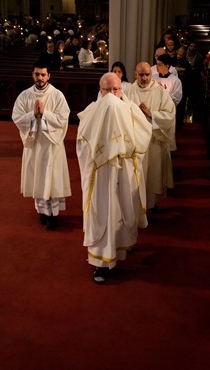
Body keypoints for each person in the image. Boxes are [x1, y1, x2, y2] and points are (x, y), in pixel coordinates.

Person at [76, 72, 152, 284]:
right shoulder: (91, 112)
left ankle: (121, 248)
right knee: (103, 213)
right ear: (100, 91)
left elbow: (144, 136)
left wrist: (124, 150)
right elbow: (81, 144)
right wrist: (100, 155)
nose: (111, 94)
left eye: (115, 90)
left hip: (123, 170)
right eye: (107, 90)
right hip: (100, 174)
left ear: (122, 90)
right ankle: (100, 263)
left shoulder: (131, 110)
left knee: (122, 210)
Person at [12, 61, 72, 230]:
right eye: (37, 74)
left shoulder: (57, 95)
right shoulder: (25, 95)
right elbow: (16, 117)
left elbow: (62, 119)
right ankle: (42, 212)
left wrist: (44, 114)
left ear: (49, 76)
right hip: (34, 144)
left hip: (51, 145)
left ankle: (53, 215)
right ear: (33, 75)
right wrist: (33, 114)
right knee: (38, 178)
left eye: (43, 74)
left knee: (51, 179)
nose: (40, 78)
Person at [125, 62, 176, 211]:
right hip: (135, 142)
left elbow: (170, 115)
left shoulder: (160, 92)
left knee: (153, 174)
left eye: (147, 74)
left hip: (154, 141)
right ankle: (136, 205)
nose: (145, 78)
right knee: (137, 175)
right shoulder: (128, 92)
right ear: (135, 74)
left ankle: (152, 205)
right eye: (141, 75)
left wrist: (151, 114)